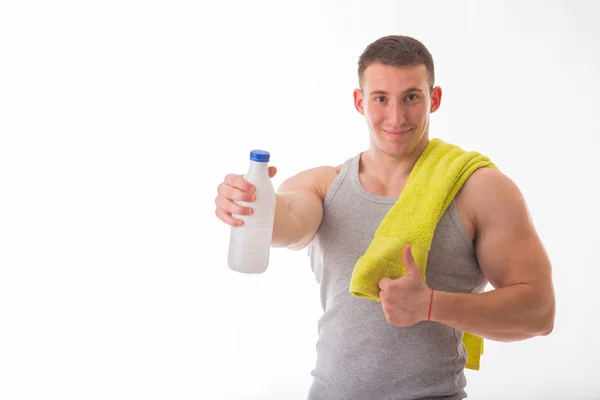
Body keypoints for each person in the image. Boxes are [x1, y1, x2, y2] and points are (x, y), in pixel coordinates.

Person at [214, 35, 555, 400]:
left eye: (411, 97)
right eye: (380, 98)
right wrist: (250, 207)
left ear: (433, 99)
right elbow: (288, 222)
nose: (396, 117)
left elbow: (538, 312)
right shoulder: (323, 185)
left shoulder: (481, 190)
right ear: (360, 102)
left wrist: (431, 304)